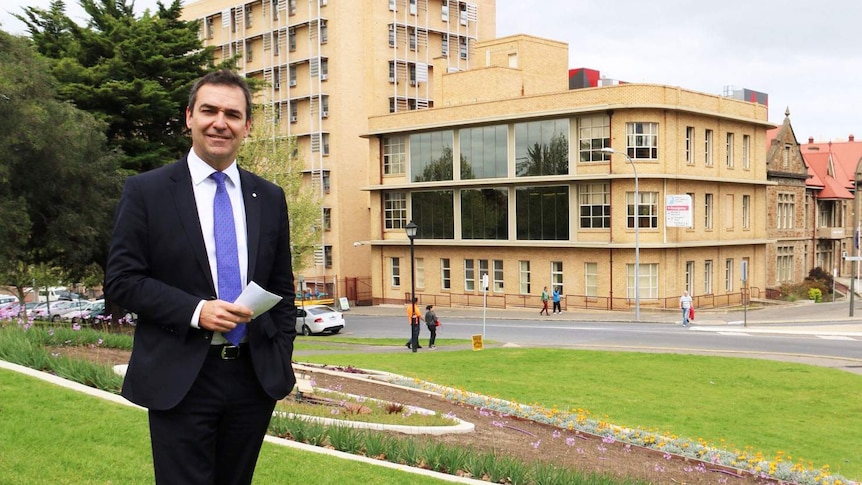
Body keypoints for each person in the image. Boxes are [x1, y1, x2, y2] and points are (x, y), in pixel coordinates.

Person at [104, 69, 297, 485]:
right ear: (189, 117)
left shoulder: (269, 196)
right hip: (181, 376)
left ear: (247, 126)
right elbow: (122, 280)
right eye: (209, 110)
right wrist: (196, 311)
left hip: (253, 377)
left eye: (232, 113)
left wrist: (281, 353)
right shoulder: (147, 191)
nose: (219, 122)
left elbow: (282, 287)